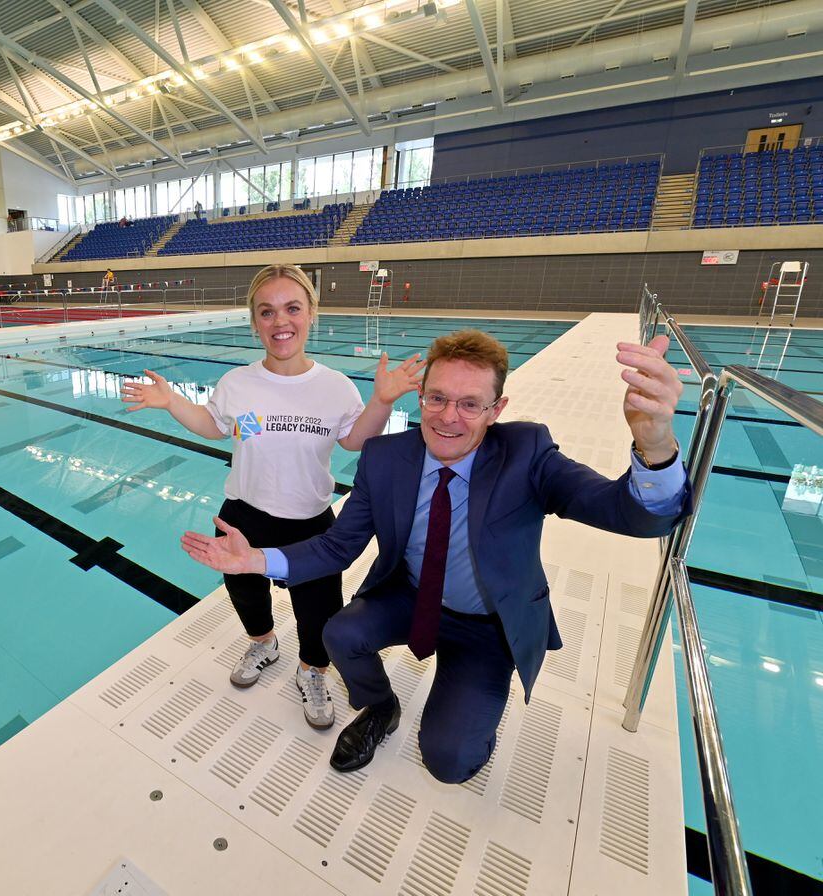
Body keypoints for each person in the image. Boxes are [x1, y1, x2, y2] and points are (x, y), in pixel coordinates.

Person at [182, 328, 689, 781]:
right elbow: (338, 546)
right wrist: (257, 561)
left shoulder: (527, 454)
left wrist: (656, 443)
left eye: (471, 404)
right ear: (420, 396)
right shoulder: (386, 459)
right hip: (410, 596)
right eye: (438, 398)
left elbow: (632, 517)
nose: (449, 417)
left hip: (485, 624)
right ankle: (381, 707)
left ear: (497, 410)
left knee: (450, 763)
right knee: (339, 632)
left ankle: (468, 694)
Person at [123, 263, 424, 730]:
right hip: (243, 513)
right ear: (254, 322)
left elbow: (353, 441)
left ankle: (313, 670)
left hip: (310, 519)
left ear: (311, 314)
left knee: (319, 610)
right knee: (244, 592)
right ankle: (264, 642)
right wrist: (172, 403)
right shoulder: (239, 384)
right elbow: (214, 425)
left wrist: (381, 402)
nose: (280, 321)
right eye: (267, 312)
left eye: (291, 308)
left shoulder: (334, 386)